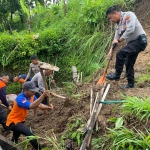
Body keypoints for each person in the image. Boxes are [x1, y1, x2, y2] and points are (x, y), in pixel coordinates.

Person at [106, 6, 147, 89]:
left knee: (120, 53)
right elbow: (115, 39)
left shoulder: (129, 15)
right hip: (132, 43)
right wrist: (110, 51)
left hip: (139, 41)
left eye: (110, 18)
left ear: (115, 13)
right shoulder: (117, 25)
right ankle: (130, 84)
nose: (111, 20)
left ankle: (117, 74)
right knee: (128, 62)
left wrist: (120, 40)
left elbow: (130, 30)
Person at [6, 81, 53, 150]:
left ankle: (11, 146)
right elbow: (31, 106)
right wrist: (43, 95)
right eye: (32, 91)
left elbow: (39, 104)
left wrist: (47, 107)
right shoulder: (20, 98)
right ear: (25, 90)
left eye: (34, 91)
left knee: (15, 137)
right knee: (30, 133)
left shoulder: (32, 96)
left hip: (21, 120)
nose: (34, 93)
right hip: (13, 121)